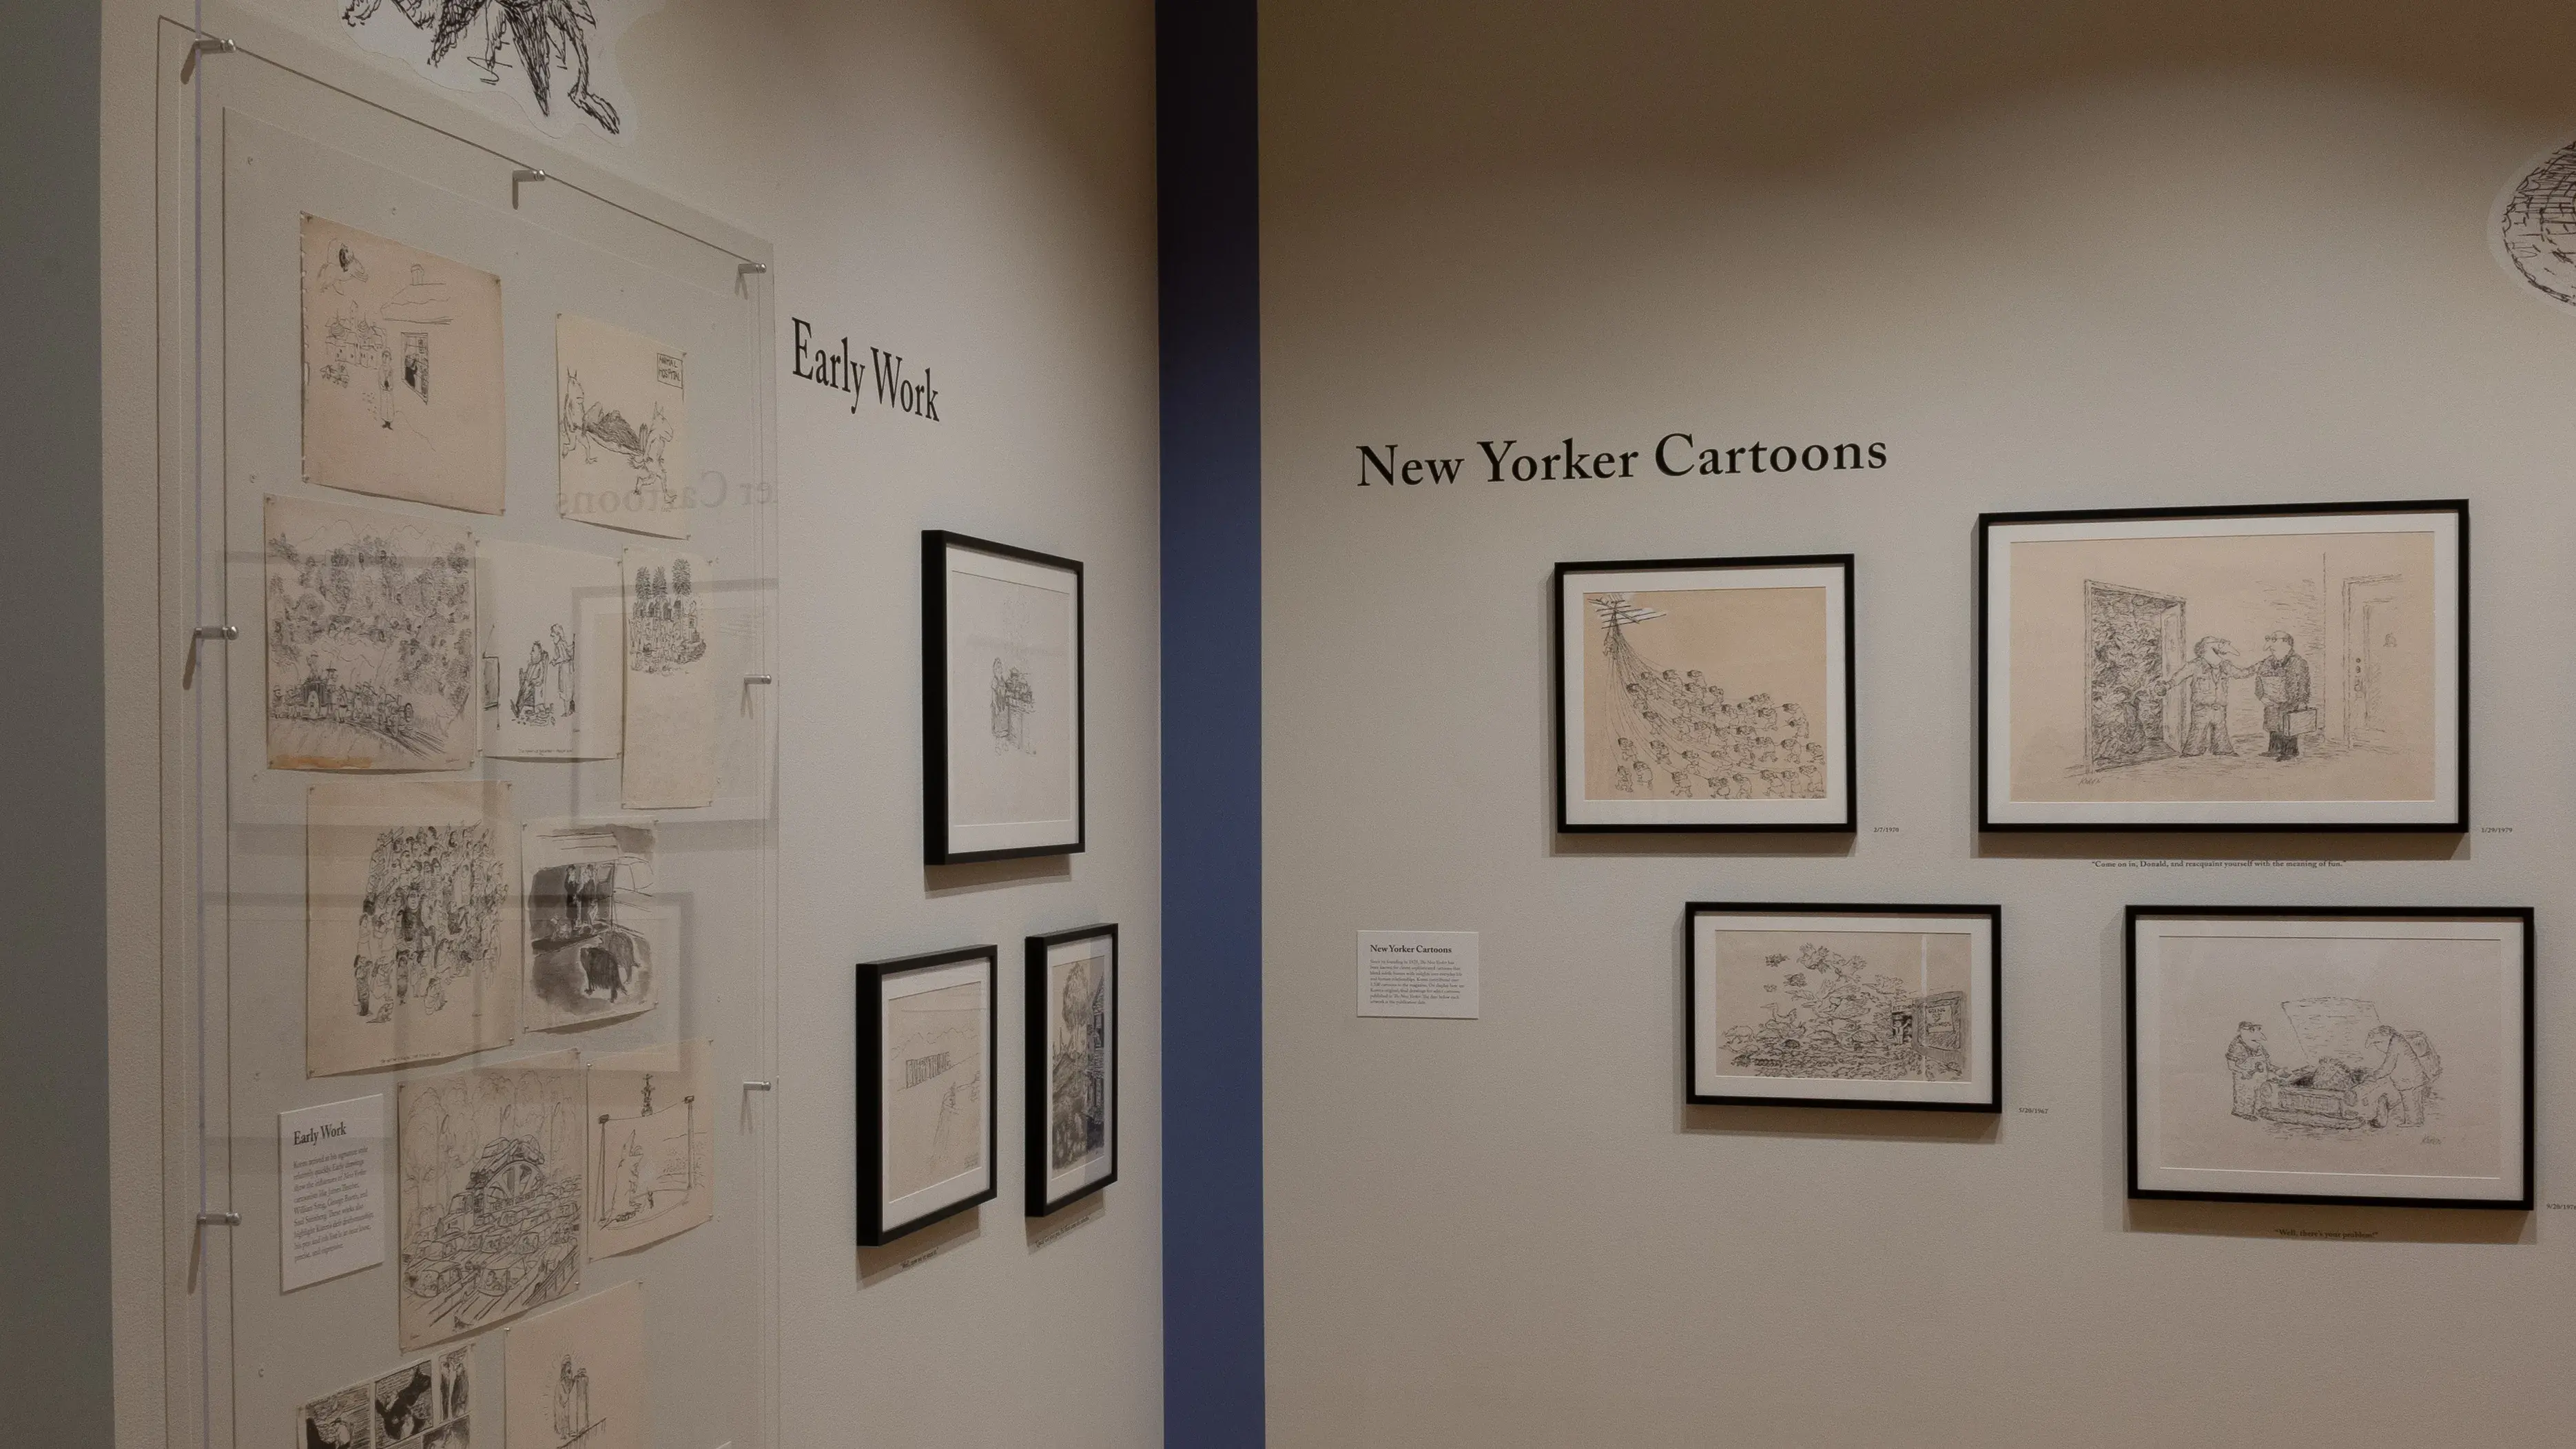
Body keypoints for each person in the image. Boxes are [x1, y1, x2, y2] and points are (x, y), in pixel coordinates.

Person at [2163, 637, 2249, 757]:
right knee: (2198, 730)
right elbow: (2179, 677)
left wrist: (2258, 667)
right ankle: (2192, 752)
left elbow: (2241, 674)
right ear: (2207, 648)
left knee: (2221, 730)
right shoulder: (2195, 665)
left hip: (2219, 707)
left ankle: (2223, 750)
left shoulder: (2225, 665)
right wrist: (2167, 686)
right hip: (2201, 707)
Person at [2356, 1024, 2432, 1127]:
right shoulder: (2397, 1040)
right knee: (2412, 1101)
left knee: (2410, 1101)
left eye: (2377, 1043)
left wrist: (2374, 1076)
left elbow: (2387, 1067)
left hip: (2410, 1079)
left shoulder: (2395, 1045)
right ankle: (2414, 1121)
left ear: (2383, 1038)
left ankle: (2413, 1122)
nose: (2377, 1047)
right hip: (2412, 1078)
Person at [2252, 630, 2311, 760]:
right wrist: (2261, 696)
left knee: (2288, 725)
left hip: (2290, 700)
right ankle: (2274, 750)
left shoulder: (2298, 662)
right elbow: (2259, 680)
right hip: (2271, 701)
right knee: (2273, 724)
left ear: (2286, 643)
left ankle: (2290, 752)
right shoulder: (2268, 661)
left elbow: (2304, 683)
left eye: (2275, 640)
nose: (2271, 645)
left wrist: (2303, 701)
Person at [2225, 1021, 2275, 1120]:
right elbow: (2231, 1065)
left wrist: (2275, 1070)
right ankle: (2244, 1113)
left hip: (2260, 1080)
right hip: (2245, 1080)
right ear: (2242, 1031)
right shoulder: (2236, 1046)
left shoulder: (2259, 1046)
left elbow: (2267, 1062)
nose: (2256, 1032)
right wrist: (2243, 1071)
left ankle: (2258, 1112)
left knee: (2260, 1096)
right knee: (2246, 1097)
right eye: (2251, 1030)